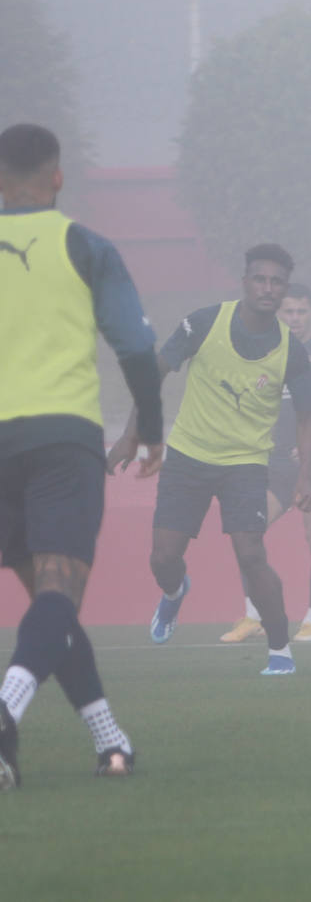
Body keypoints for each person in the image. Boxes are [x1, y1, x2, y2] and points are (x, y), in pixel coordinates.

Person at [0, 123, 162, 787]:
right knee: (58, 596)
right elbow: (135, 346)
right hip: (60, 440)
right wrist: (151, 425)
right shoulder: (85, 245)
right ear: (58, 176)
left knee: (51, 606)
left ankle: (110, 741)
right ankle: (6, 708)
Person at [107, 244, 311, 675]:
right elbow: (154, 371)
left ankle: (280, 650)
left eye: (276, 282)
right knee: (163, 558)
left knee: (251, 554)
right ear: (245, 282)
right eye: (259, 279)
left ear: (284, 290)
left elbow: (307, 418)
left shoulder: (292, 352)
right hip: (188, 456)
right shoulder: (204, 323)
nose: (267, 288)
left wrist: (306, 477)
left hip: (245, 465)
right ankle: (174, 594)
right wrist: (132, 434)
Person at [220, 283, 311, 644]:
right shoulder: (266, 353)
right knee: (248, 530)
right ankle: (253, 617)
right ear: (278, 313)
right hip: (275, 463)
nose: (295, 318)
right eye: (288, 312)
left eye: (301, 312)